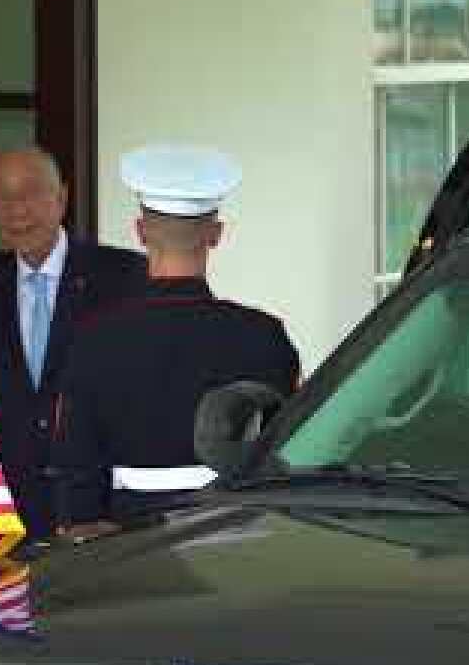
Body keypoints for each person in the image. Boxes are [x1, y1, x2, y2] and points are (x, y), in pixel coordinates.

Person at [52, 145, 300, 541]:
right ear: (216, 235)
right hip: (238, 535)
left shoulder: (95, 339)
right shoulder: (264, 335)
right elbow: (287, 455)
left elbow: (77, 469)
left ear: (140, 231)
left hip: (124, 542)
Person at [0, 147, 146, 543]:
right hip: (10, 521)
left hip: (99, 514)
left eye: (30, 193)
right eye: (4, 197)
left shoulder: (124, 278)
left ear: (62, 198)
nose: (17, 210)